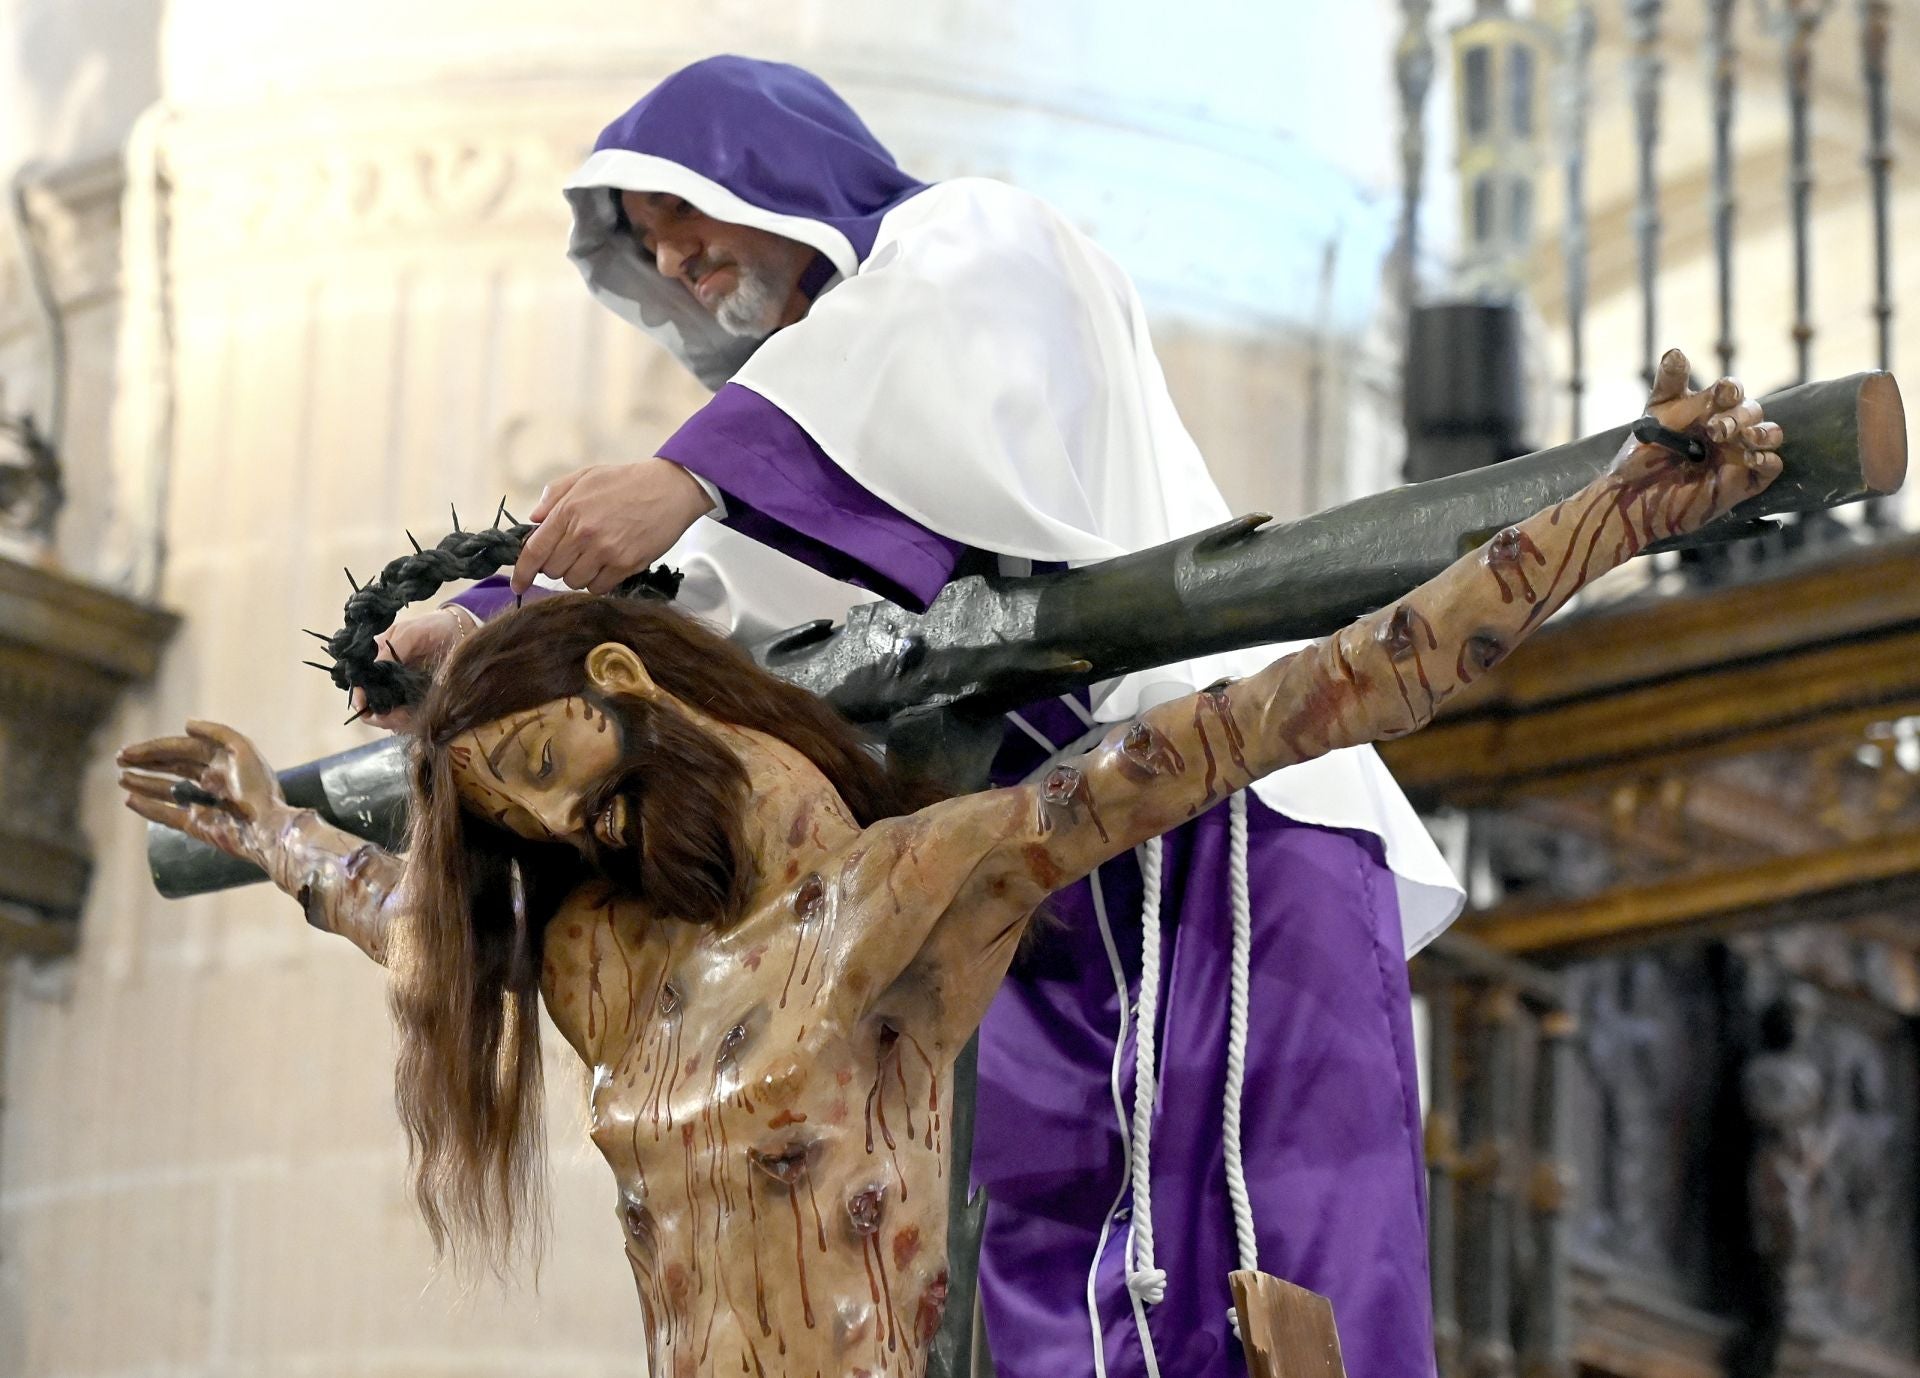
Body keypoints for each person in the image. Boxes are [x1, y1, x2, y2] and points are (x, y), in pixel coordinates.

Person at [358, 54, 1633, 1375]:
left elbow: (912, 356)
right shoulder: (794, 458)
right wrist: (489, 623)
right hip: (1026, 868)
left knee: (1247, 1241)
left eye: (687, 216)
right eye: (650, 250)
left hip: (1212, 809)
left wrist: (688, 475)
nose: (676, 261)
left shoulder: (965, 241)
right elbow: (694, 607)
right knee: (1052, 1254)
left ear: (778, 171)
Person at [122, 377, 1780, 1378]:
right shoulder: (615, 974)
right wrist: (275, 829)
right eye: (532, 828)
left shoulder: (912, 894)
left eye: (557, 782)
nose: (575, 841)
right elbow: (408, 917)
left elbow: (1314, 695)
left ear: (627, 695)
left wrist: (1608, 515)